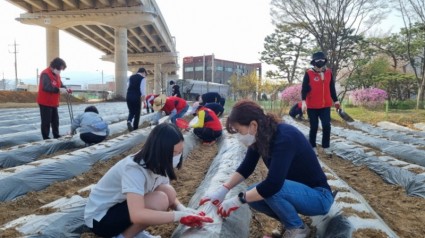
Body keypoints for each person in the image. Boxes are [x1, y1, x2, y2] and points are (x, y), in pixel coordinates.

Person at [199, 100, 334, 238]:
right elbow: (246, 167)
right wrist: (223, 190)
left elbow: (273, 184)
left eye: (239, 131)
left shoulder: (284, 137)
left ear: (253, 125)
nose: (238, 136)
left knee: (270, 189)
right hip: (297, 192)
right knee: (254, 196)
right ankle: (290, 223)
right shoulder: (260, 137)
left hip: (319, 197)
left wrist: (237, 200)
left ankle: (297, 229)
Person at [84, 123, 213, 238]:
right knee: (160, 200)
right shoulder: (134, 169)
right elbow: (137, 215)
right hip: (101, 219)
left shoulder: (158, 163)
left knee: (167, 191)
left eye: (179, 152)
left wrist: (182, 209)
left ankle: (134, 232)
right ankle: (124, 236)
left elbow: (167, 193)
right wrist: (178, 216)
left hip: (121, 208)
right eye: (173, 153)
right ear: (160, 150)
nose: (177, 157)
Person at [301, 51, 340, 155]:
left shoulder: (329, 73)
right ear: (314, 62)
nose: (320, 63)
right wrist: (303, 101)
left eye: (322, 61)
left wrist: (336, 101)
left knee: (326, 125)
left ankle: (325, 146)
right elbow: (304, 88)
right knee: (314, 126)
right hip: (312, 106)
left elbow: (331, 88)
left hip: (325, 105)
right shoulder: (309, 73)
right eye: (318, 61)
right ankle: (312, 146)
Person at [36, 57, 72, 140]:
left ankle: (56, 134)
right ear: (55, 66)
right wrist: (58, 90)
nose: (60, 71)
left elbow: (60, 84)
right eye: (60, 69)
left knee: (55, 120)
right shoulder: (45, 73)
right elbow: (46, 87)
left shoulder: (57, 74)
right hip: (45, 102)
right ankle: (46, 137)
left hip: (53, 102)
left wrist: (65, 89)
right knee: (46, 121)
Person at [126, 67, 147, 132]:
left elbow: (128, 86)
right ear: (143, 72)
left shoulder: (131, 77)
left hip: (128, 96)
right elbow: (142, 90)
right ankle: (135, 129)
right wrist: (144, 102)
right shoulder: (142, 79)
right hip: (136, 97)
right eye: (145, 74)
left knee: (131, 111)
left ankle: (129, 121)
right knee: (137, 112)